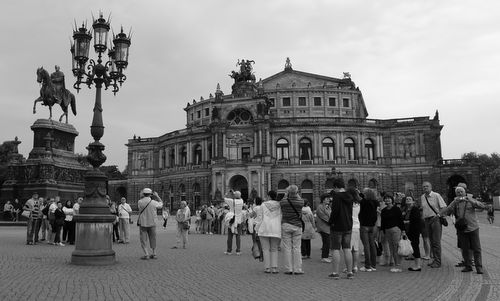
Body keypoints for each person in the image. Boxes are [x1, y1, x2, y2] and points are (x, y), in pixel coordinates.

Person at [440, 186, 486, 274]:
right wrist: (439, 215)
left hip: (473, 228)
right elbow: (448, 209)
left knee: (476, 249)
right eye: (458, 192)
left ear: (465, 193)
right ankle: (468, 266)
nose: (460, 193)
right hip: (462, 229)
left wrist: (470, 200)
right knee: (465, 249)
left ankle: (479, 267)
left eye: (461, 192)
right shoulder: (455, 202)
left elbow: (482, 206)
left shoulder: (470, 200)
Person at [328, 178, 354, 280]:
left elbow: (335, 211)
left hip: (337, 225)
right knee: (347, 248)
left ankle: (335, 272)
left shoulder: (337, 196)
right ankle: (350, 272)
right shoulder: (350, 196)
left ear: (336, 187)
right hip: (348, 225)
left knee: (335, 249)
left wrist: (330, 222)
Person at [421, 181, 447, 268]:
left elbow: (444, 207)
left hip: (435, 219)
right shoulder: (422, 197)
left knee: (436, 241)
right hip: (427, 220)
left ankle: (438, 261)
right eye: (424, 187)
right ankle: (434, 259)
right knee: (431, 241)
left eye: (427, 186)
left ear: (431, 187)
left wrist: (438, 215)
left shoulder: (436, 195)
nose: (425, 188)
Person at [280, 185, 305, 275]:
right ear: (297, 192)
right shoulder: (301, 202)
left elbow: (282, 201)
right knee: (297, 248)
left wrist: (287, 194)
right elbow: (298, 197)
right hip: (297, 225)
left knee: (287, 248)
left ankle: (288, 269)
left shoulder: (283, 202)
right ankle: (298, 269)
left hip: (286, 224)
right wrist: (295, 194)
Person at [256, 190, 282, 274]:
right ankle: (274, 268)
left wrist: (257, 229)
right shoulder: (279, 205)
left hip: (264, 228)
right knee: (274, 249)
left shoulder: (263, 205)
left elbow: (259, 218)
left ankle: (267, 268)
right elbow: (281, 217)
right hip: (276, 228)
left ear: (269, 196)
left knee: (265, 249)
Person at [381, 194, 405, 272]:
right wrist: (382, 231)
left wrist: (403, 231)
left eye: (389, 198)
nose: (387, 200)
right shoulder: (383, 210)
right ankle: (395, 263)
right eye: (386, 199)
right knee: (391, 247)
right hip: (387, 231)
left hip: (395, 229)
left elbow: (400, 220)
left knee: (396, 247)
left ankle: (397, 265)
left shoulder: (396, 209)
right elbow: (383, 222)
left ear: (392, 200)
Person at [137, 188, 163, 259]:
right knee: (153, 238)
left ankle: (146, 254)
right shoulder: (154, 202)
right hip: (152, 223)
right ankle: (154, 253)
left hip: (143, 223)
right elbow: (161, 204)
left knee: (143, 239)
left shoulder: (140, 202)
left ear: (143, 194)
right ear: (150, 194)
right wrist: (157, 196)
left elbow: (139, 208)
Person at [359, 188, 379, 272]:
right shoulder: (375, 202)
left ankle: (367, 265)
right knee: (372, 245)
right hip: (372, 225)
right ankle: (373, 265)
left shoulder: (363, 202)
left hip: (364, 225)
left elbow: (360, 213)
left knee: (366, 246)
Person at [404, 196, 423, 271]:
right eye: (407, 199)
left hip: (414, 230)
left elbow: (416, 220)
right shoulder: (407, 209)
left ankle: (418, 265)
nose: (408, 200)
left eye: (410, 199)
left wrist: (406, 222)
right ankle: (416, 264)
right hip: (408, 230)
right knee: (413, 246)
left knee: (415, 246)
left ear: (413, 201)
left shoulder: (414, 209)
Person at [224, 190, 244, 255]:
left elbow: (224, 198)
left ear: (235, 196)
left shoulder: (232, 201)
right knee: (238, 236)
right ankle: (238, 251)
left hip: (232, 220)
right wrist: (235, 194)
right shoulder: (241, 201)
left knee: (230, 236)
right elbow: (239, 197)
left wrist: (229, 193)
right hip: (239, 221)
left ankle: (229, 251)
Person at [316, 194, 332, 263]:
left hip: (327, 227)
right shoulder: (320, 207)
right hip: (323, 227)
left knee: (327, 242)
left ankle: (326, 255)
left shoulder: (327, 207)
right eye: (327, 199)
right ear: (323, 200)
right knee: (326, 242)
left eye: (329, 199)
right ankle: (324, 257)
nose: (328, 200)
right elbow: (324, 217)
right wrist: (332, 221)